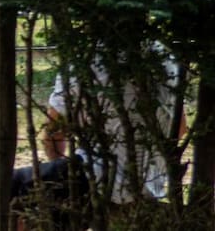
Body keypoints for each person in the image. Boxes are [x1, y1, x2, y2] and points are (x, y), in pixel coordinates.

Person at [10, 42, 184, 230]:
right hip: (152, 184)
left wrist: (63, 168)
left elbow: (53, 134)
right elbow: (180, 128)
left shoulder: (86, 58)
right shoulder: (165, 58)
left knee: (11, 185)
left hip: (98, 176)